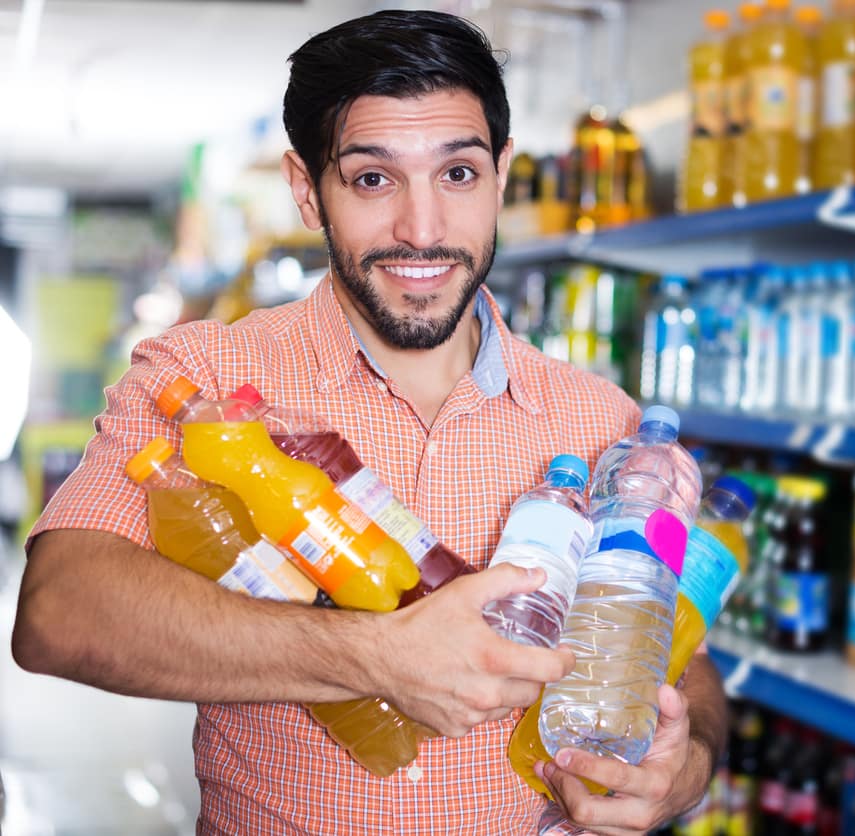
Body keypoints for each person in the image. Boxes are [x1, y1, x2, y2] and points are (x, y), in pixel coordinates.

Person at [11, 10, 727, 835]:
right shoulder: (203, 379)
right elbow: (58, 612)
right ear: (305, 190)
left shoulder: (603, 421)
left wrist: (688, 763)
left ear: (500, 175)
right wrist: (374, 655)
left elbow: (683, 648)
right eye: (372, 179)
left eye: (456, 175)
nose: (422, 230)